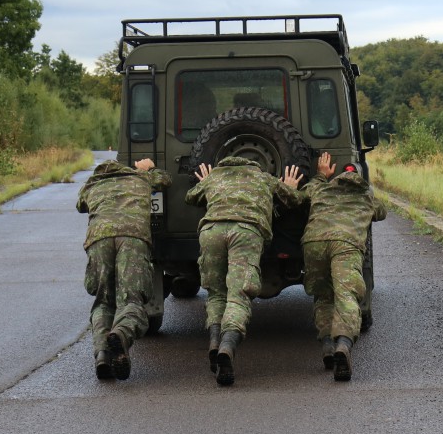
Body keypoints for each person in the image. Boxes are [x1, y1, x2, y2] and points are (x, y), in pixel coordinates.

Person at [185, 156, 303, 385]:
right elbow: (295, 200)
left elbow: (190, 197)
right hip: (245, 232)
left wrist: (207, 182)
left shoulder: (215, 176)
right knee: (238, 294)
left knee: (216, 293)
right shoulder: (263, 178)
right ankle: (227, 346)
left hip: (211, 232)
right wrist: (290, 186)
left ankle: (214, 341)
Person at [76, 158, 171, 381]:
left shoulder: (92, 184)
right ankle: (121, 334)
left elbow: (80, 205)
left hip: (99, 239)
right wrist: (147, 169)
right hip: (132, 237)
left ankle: (102, 354)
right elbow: (165, 179)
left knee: (103, 301)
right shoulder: (140, 177)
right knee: (132, 301)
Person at [297, 152, 387, 381]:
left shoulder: (322, 189)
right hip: (345, 245)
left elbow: (303, 194)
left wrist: (321, 176)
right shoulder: (365, 197)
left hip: (314, 243)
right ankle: (343, 344)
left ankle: (328, 344)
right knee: (346, 296)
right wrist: (368, 192)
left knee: (323, 296)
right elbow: (382, 212)